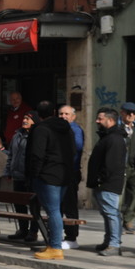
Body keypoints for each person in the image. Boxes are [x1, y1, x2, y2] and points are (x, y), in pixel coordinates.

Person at [25, 101, 75, 260]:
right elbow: (73, 150)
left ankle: (55, 246)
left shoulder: (41, 129)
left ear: (38, 115)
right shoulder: (67, 128)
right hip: (64, 173)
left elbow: (36, 155)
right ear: (54, 111)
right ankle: (54, 244)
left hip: (47, 175)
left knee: (53, 211)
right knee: (56, 210)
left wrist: (34, 175)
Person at [87, 107, 127, 256]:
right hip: (103, 183)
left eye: (100, 118)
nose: (97, 121)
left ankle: (114, 244)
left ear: (110, 120)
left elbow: (112, 164)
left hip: (109, 183)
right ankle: (108, 240)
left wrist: (100, 179)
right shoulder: (107, 136)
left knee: (111, 213)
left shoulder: (114, 138)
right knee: (106, 213)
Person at [1, 110, 37, 243]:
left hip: (30, 177)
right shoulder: (17, 135)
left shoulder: (36, 136)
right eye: (24, 117)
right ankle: (23, 229)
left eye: (28, 118)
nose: (25, 120)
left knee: (33, 205)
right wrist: (8, 171)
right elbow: (11, 155)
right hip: (17, 175)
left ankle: (33, 231)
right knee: (19, 205)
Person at [58, 104, 84, 249]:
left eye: (67, 114)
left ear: (73, 116)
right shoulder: (61, 130)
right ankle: (59, 235)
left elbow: (77, 148)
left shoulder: (74, 130)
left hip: (70, 173)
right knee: (60, 206)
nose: (64, 116)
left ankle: (72, 237)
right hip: (60, 174)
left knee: (69, 206)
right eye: (61, 114)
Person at [118, 102, 135, 235]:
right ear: (122, 112)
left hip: (134, 166)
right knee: (119, 198)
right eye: (128, 113)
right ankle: (116, 224)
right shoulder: (117, 127)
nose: (131, 115)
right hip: (120, 167)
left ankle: (128, 219)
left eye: (134, 113)